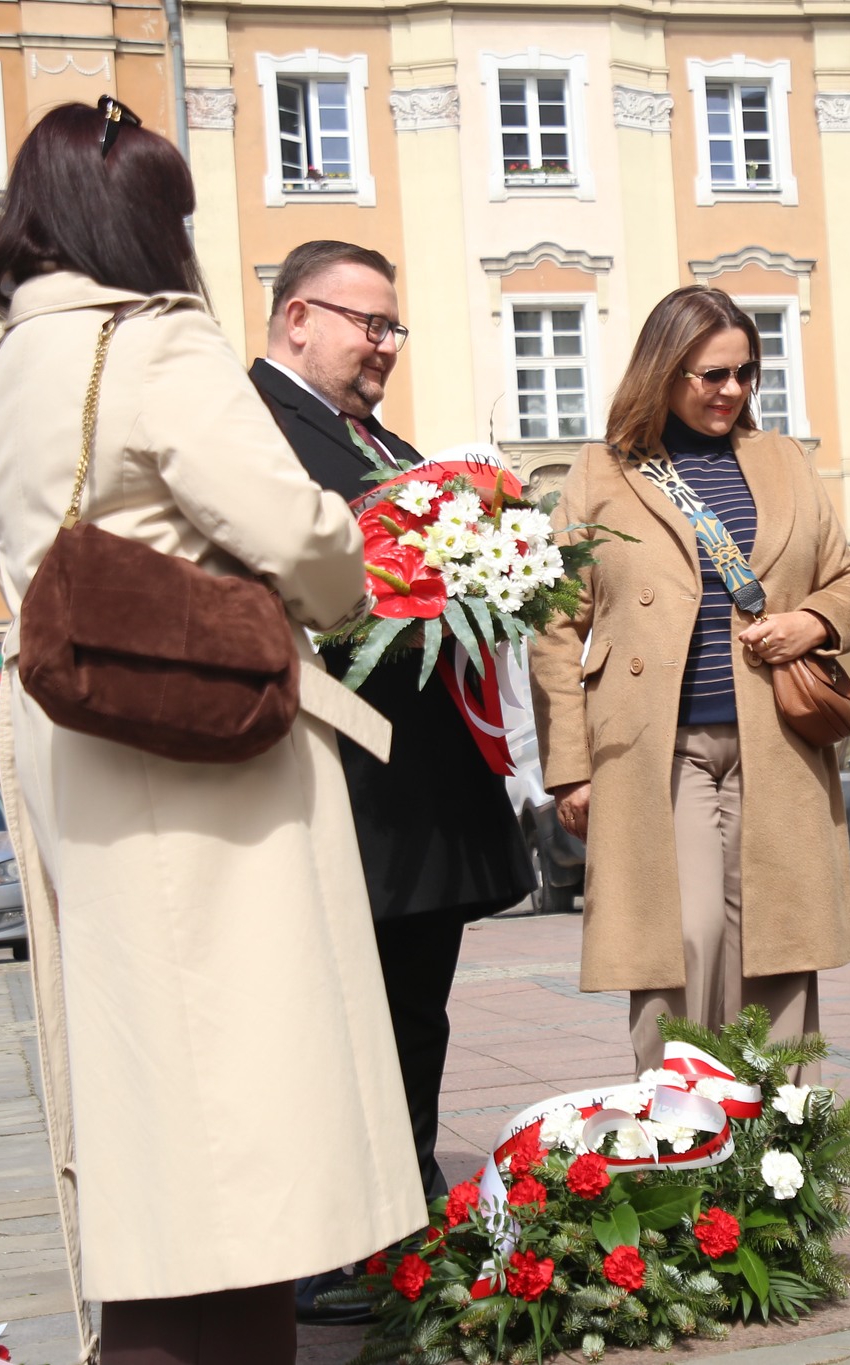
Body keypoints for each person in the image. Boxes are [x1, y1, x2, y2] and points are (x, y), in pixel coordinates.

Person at [0, 101, 424, 1363]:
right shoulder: (152, 344)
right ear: (138, 222)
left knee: (155, 1116)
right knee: (252, 1109)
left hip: (74, 737)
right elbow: (296, 532)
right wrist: (350, 570)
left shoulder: (12, 362)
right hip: (200, 743)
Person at [249, 240, 536, 1321]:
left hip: (416, 785)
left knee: (414, 1009)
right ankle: (329, 1242)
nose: (382, 347)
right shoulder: (257, 428)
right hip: (336, 777)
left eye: (391, 329)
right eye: (366, 325)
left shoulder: (387, 441)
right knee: (341, 1018)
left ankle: (402, 1212)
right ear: (296, 320)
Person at [530, 286, 850, 1075]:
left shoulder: (783, 460)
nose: (732, 391)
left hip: (777, 738)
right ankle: (681, 1140)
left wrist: (812, 623)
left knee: (778, 943)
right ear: (664, 369)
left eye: (746, 373)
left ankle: (784, 1149)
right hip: (655, 748)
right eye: (711, 373)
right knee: (679, 940)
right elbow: (554, 624)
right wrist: (569, 765)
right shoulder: (602, 471)